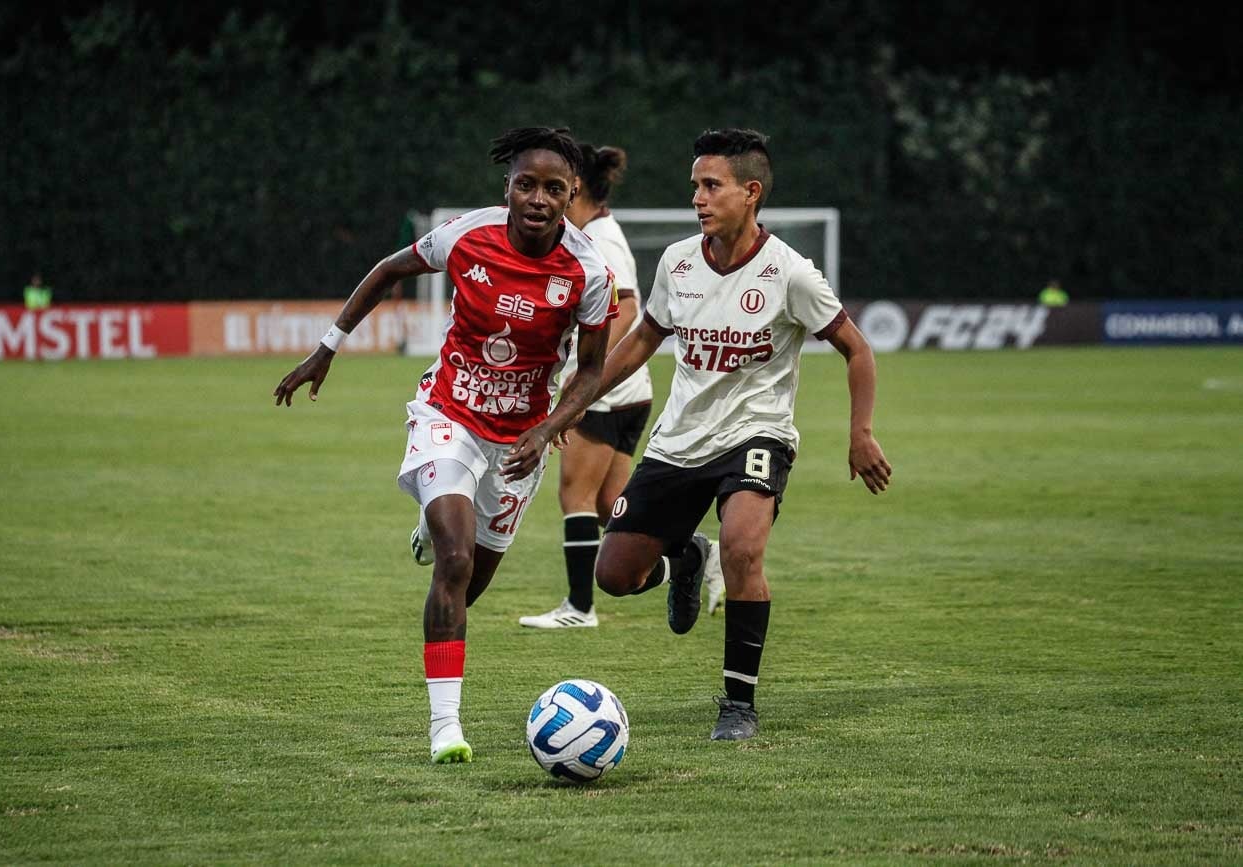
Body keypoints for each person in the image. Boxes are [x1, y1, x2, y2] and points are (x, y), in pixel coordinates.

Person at [273, 127, 618, 764]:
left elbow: (593, 369)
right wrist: (328, 345)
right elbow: (388, 270)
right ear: (506, 187)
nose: (537, 199)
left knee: (469, 584)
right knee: (455, 561)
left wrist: (545, 430)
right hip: (448, 415)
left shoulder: (590, 271)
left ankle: (436, 526)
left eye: (553, 189)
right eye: (525, 184)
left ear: (572, 197)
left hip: (520, 443)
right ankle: (445, 729)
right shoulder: (468, 234)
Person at [590, 128, 892, 741]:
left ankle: (738, 704)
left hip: (758, 434)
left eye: (711, 186)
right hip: (678, 440)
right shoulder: (677, 262)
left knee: (745, 548)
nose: (698, 198)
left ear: (750, 193)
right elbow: (645, 338)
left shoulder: (791, 274)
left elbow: (856, 349)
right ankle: (684, 553)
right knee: (615, 577)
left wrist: (861, 433)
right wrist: (579, 399)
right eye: (695, 186)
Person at [517, 142, 673, 629]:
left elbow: (626, 308)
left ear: (575, 187)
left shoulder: (601, 239)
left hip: (609, 393)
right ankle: (692, 557)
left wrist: (588, 381)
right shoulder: (598, 231)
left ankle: (579, 608)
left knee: (574, 496)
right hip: (630, 391)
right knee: (612, 507)